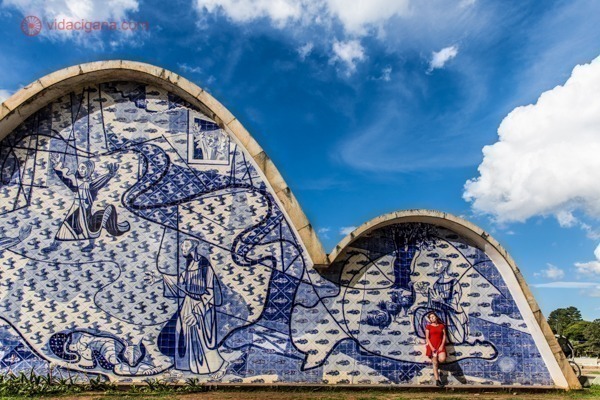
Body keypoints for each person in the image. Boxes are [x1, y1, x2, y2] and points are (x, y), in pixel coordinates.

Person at [146, 239, 226, 376]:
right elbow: (182, 279)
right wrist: (161, 277)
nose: (182, 247)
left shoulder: (204, 265)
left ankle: (211, 366)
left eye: (186, 245)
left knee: (199, 337)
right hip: (187, 303)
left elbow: (211, 292)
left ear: (194, 246)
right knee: (180, 332)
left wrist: (197, 313)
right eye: (182, 244)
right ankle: (182, 366)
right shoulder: (191, 263)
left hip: (201, 305)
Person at [42, 154, 129, 253]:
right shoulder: (77, 183)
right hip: (75, 210)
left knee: (90, 228)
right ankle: (54, 245)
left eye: (83, 168)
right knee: (65, 227)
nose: (80, 170)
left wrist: (109, 174)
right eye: (79, 168)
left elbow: (99, 181)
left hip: (84, 211)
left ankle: (91, 245)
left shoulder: (91, 185)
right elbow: (65, 177)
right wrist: (57, 164)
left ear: (89, 170)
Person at [425, 311, 447, 387]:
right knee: (435, 363)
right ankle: (437, 380)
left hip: (440, 346)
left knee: (442, 359)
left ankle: (439, 370)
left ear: (436, 317)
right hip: (432, 346)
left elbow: (444, 336)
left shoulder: (441, 326)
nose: (432, 318)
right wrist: (432, 348)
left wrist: (441, 345)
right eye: (430, 317)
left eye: (433, 317)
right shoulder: (428, 326)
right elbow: (427, 338)